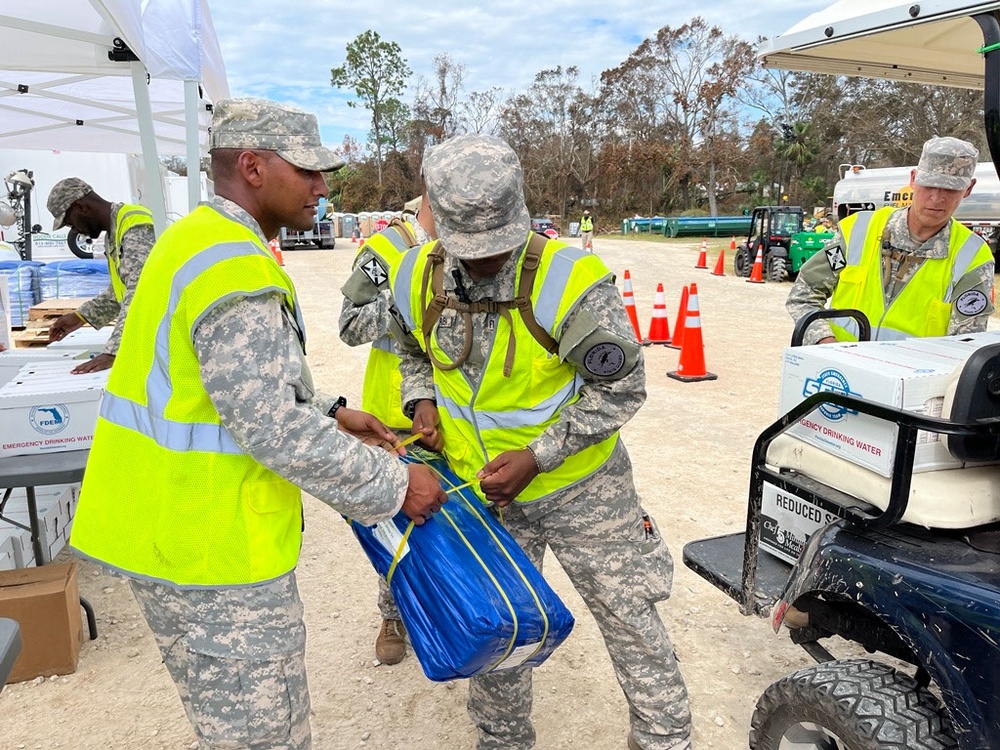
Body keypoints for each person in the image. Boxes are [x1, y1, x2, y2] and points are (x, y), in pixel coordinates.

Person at [68, 97, 448, 750]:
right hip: (210, 548)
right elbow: (270, 428)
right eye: (307, 171)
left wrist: (332, 411)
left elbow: (236, 381)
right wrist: (394, 488)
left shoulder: (195, 239)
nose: (323, 186)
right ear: (252, 166)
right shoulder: (233, 265)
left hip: (163, 527)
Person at [389, 134, 692, 750]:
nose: (482, 262)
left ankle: (665, 739)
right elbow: (409, 349)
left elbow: (621, 392)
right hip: (485, 494)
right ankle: (502, 741)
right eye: (466, 249)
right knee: (501, 627)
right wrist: (420, 399)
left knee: (629, 618)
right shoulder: (414, 277)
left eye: (494, 247)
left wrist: (538, 456)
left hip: (584, 489)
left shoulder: (571, 281)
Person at [338, 196, 436, 665]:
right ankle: (393, 613)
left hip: (457, 411)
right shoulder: (388, 247)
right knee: (398, 516)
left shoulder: (469, 243)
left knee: (451, 513)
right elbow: (350, 324)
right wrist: (410, 301)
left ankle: (445, 607)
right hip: (395, 412)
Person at [787, 136, 995, 343]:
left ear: (968, 189)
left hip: (914, 375)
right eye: (929, 185)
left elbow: (965, 343)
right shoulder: (856, 232)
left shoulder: (972, 258)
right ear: (913, 179)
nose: (937, 198)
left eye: (950, 189)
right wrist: (824, 341)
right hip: (840, 372)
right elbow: (804, 294)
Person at [45, 178, 157, 373]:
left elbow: (142, 292)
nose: (75, 230)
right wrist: (80, 317)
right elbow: (118, 293)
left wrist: (114, 351)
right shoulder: (114, 233)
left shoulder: (136, 227)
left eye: (71, 223)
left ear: (81, 207)